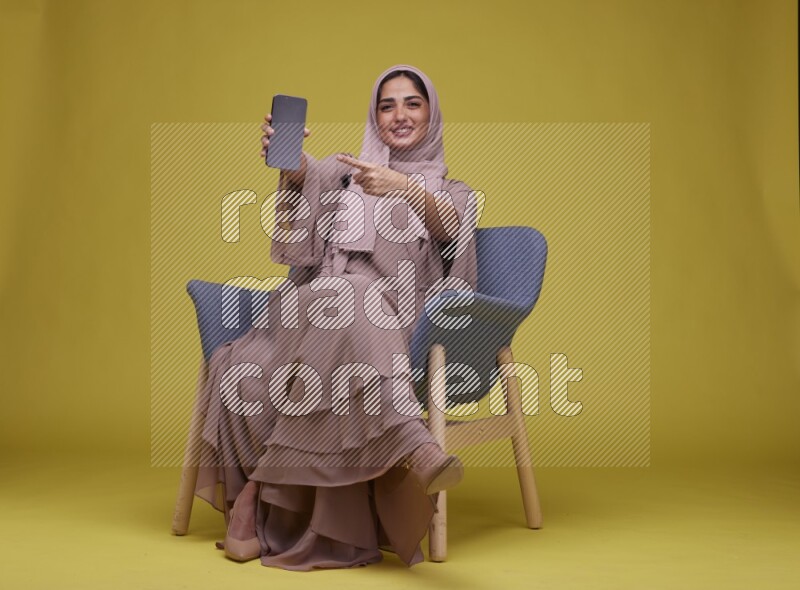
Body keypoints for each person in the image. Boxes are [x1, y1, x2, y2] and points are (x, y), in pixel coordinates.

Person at [192, 64, 479, 570]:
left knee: (353, 298)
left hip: (393, 327)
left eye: (413, 103)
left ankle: (255, 496)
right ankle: (412, 444)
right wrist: (291, 161)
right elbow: (306, 179)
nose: (399, 115)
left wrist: (402, 187)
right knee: (333, 300)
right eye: (386, 105)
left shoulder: (453, 192)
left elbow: (451, 227)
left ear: (431, 113)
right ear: (374, 115)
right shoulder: (347, 173)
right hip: (309, 310)